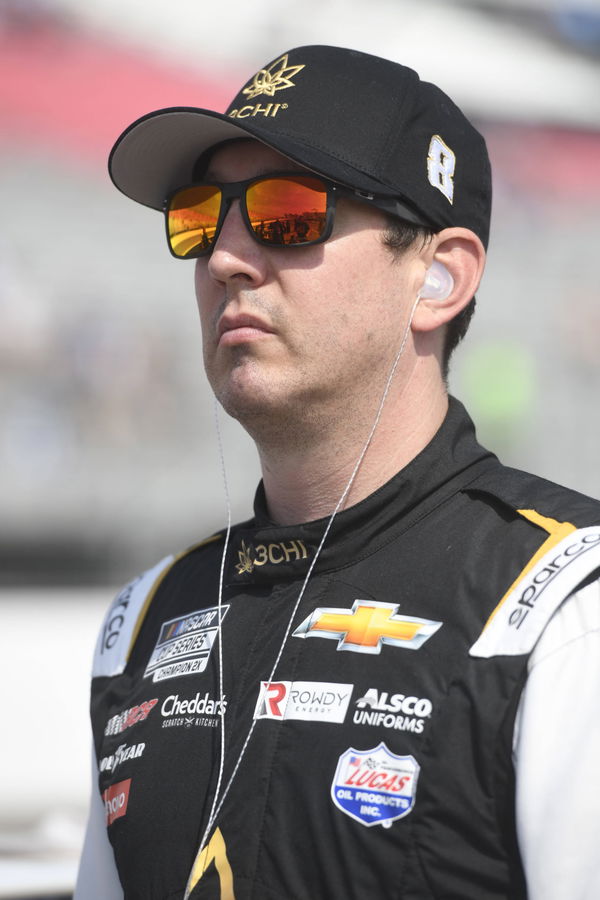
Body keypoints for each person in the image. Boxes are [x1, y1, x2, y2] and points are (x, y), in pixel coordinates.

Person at [75, 45, 600, 900]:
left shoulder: (563, 606)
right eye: (201, 216)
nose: (223, 260)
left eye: (287, 214)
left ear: (438, 278)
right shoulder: (143, 621)